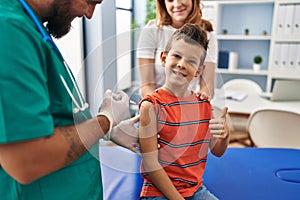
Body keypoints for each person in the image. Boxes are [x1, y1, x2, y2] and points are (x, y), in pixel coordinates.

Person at [0, 0, 139, 199]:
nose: (89, 14)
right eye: (90, 2)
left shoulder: (35, 30)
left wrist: (107, 132)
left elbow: (56, 120)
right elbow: (26, 160)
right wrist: (104, 121)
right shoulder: (9, 30)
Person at [138, 24, 229, 200]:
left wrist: (225, 135)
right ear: (164, 58)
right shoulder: (151, 106)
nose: (181, 64)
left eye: (191, 61)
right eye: (177, 56)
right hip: (159, 192)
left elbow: (217, 151)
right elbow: (150, 163)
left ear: (198, 71)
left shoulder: (203, 105)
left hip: (195, 190)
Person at [137, 0, 218, 99]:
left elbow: (207, 86)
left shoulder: (207, 34)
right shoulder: (152, 30)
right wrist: (158, 106)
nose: (177, 4)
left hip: (185, 105)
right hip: (156, 105)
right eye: (170, 0)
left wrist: (202, 99)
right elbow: (147, 86)